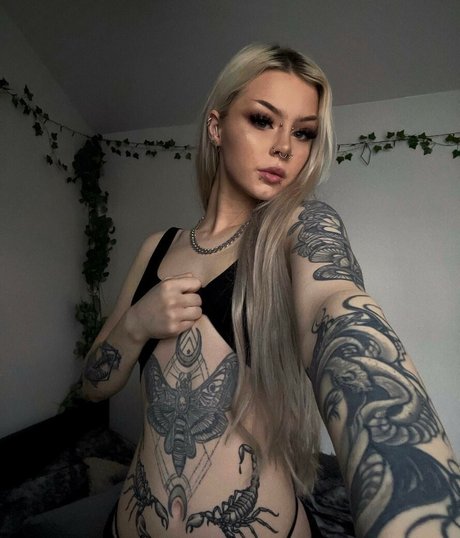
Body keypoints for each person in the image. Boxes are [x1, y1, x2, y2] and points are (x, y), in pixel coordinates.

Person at [82, 43, 459, 538]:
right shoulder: (157, 246)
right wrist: (135, 325)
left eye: (303, 132)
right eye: (263, 120)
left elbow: (336, 306)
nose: (285, 147)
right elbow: (93, 385)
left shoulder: (300, 229)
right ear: (216, 127)